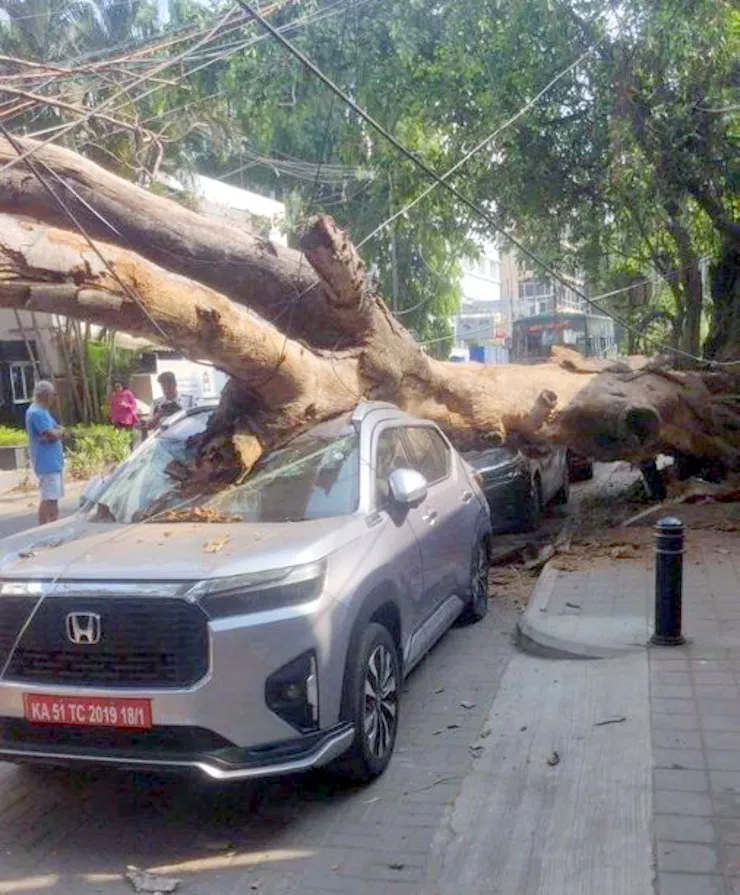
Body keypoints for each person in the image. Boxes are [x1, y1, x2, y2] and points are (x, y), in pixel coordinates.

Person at [25, 380, 65, 525]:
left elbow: (57, 429)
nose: (54, 398)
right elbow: (53, 433)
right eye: (53, 394)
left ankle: (43, 528)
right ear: (46, 395)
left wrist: (57, 432)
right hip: (47, 462)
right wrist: (57, 432)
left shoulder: (42, 411)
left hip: (52, 461)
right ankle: (51, 527)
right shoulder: (37, 412)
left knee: (47, 497)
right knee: (51, 499)